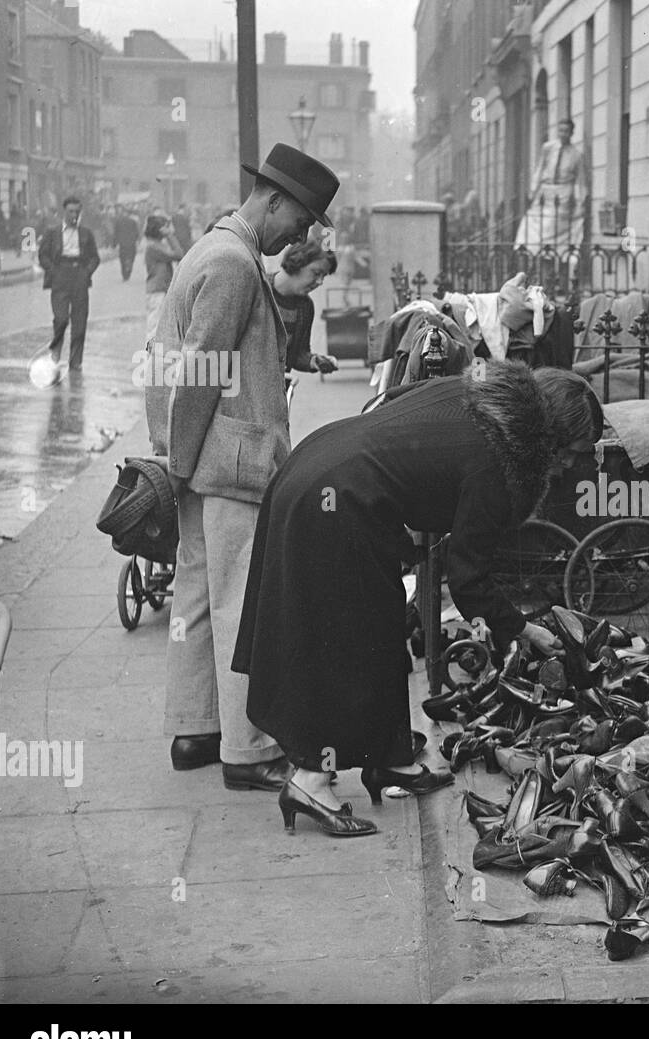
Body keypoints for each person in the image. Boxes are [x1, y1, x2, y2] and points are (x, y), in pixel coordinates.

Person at [232, 363, 603, 837]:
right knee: (341, 644)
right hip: (334, 501)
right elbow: (468, 578)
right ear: (550, 440)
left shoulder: (478, 393)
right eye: (572, 453)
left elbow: (395, 399)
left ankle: (390, 759)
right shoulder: (497, 464)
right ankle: (309, 782)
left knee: (383, 628)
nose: (569, 467)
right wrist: (522, 628)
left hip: (319, 461)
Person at [143, 142, 339, 791]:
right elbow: (201, 373)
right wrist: (177, 463)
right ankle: (247, 750)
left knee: (197, 599)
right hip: (229, 464)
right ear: (275, 200)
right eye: (302, 221)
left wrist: (178, 461)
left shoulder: (214, 249)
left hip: (207, 460)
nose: (300, 238)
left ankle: (195, 729)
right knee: (237, 604)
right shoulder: (232, 262)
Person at [36, 196, 100, 372]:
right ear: (64, 212)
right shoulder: (52, 232)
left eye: (77, 212)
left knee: (79, 322)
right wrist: (53, 271)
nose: (74, 215)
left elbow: (95, 257)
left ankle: (75, 361)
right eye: (71, 211)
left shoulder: (86, 233)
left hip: (79, 275)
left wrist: (86, 272)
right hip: (60, 276)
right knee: (61, 319)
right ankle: (55, 352)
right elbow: (43, 255)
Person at [270, 239, 338, 379]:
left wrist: (314, 361)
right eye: (316, 273)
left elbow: (297, 354)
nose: (320, 282)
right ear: (297, 262)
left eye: (323, 276)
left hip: (276, 387)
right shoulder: (257, 290)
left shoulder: (305, 306)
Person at [515, 119, 587, 249]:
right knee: (530, 221)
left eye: (566, 131)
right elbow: (539, 169)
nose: (563, 134)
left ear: (571, 133)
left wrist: (580, 203)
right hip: (545, 191)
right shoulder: (548, 148)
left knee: (550, 224)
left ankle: (548, 254)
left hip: (563, 192)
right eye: (560, 131)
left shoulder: (576, 155)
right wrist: (533, 192)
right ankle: (529, 252)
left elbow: (580, 181)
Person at [142, 214, 183, 346]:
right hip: (157, 290)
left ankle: (155, 355)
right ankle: (151, 356)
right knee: (154, 329)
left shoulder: (156, 245)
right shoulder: (154, 247)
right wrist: (170, 236)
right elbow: (178, 254)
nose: (169, 229)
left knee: (158, 328)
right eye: (165, 227)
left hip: (159, 289)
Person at [114, 205, 140, 281]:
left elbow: (116, 233)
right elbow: (136, 232)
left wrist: (114, 243)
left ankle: (124, 274)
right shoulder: (133, 222)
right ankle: (128, 271)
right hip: (131, 244)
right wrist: (137, 240)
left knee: (122, 259)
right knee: (131, 258)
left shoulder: (118, 221)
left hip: (122, 244)